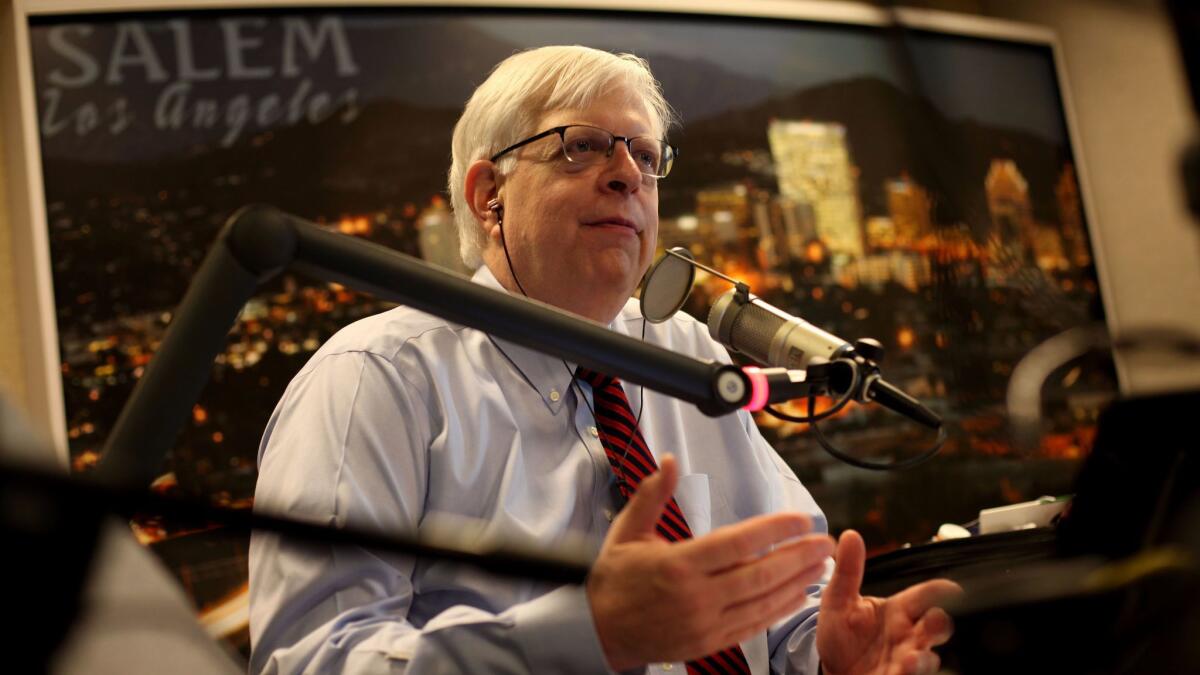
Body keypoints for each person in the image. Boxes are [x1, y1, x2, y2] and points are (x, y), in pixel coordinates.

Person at [249, 45, 958, 674]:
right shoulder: (374, 379)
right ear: (488, 194)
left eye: (646, 156)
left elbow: (786, 599)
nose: (628, 174)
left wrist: (828, 653)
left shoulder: (689, 355)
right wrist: (585, 636)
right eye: (581, 146)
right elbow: (310, 658)